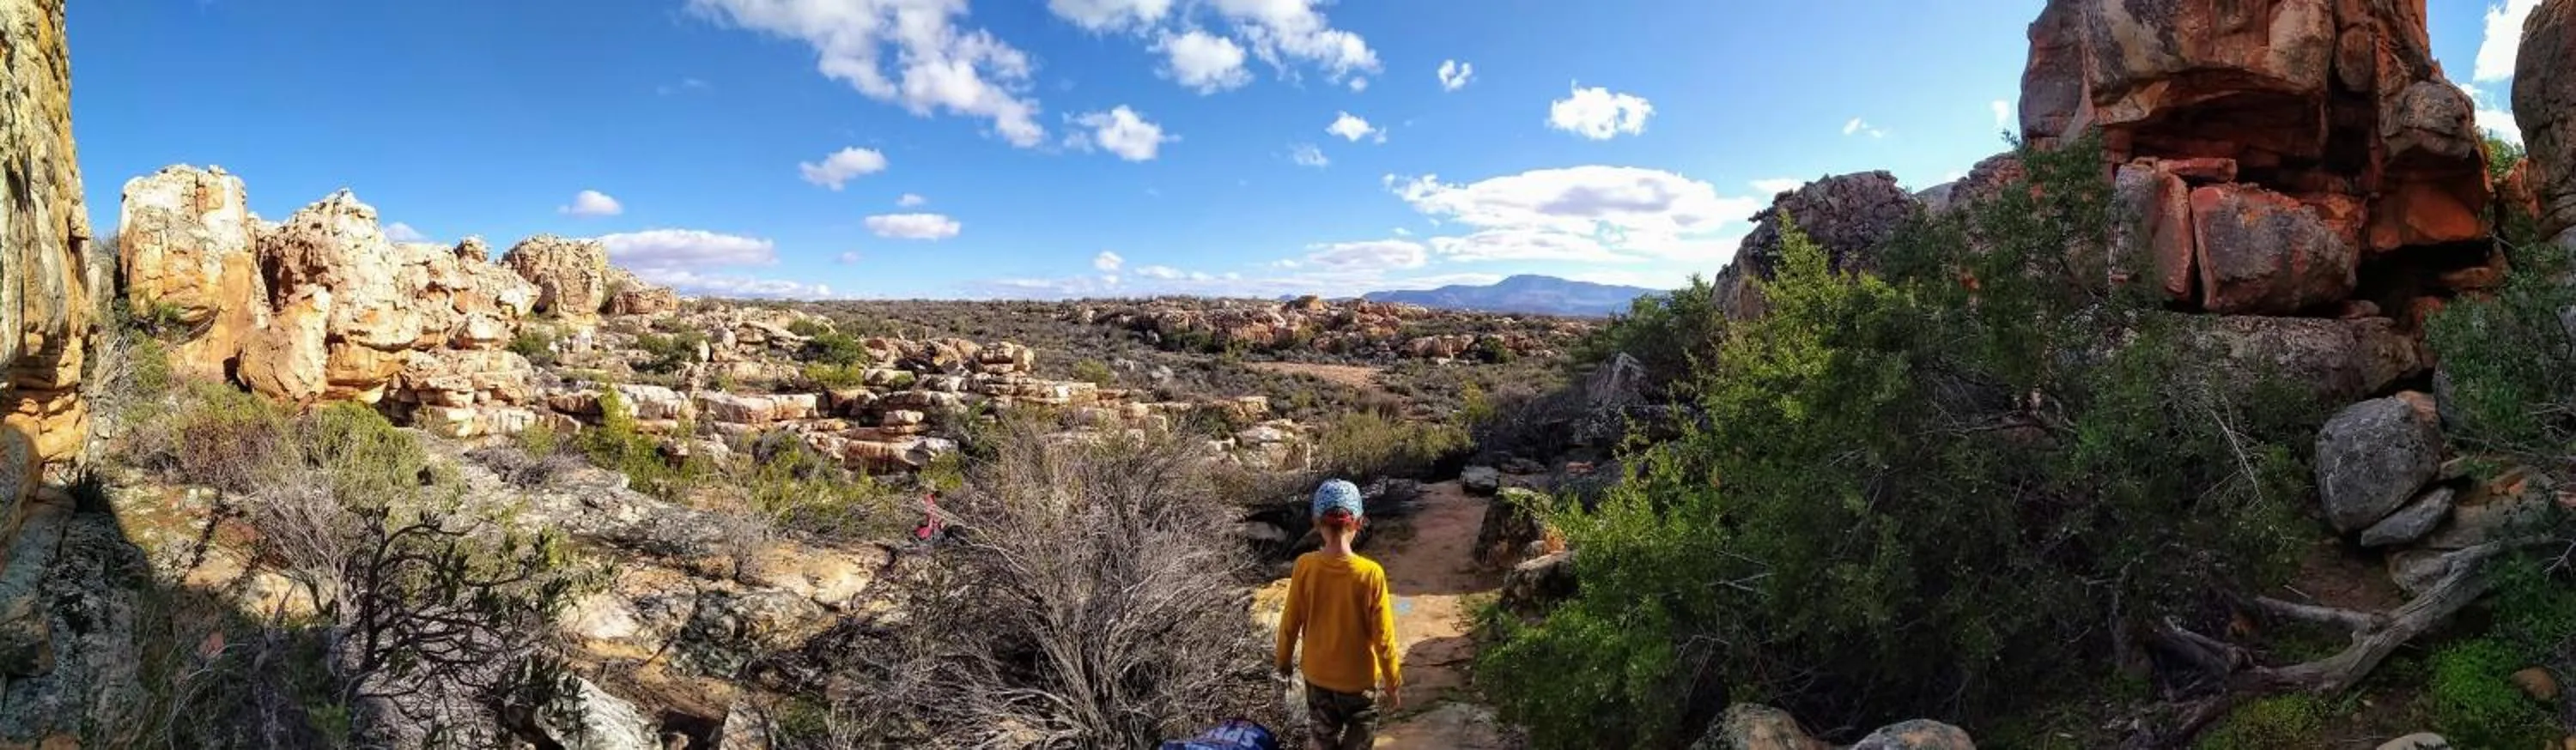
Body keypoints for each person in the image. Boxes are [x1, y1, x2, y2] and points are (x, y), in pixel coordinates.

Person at [1273, 479, 1401, 750]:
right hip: (1359, 683)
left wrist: (1283, 662)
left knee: (1321, 740)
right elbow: (1384, 638)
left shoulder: (1304, 566)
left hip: (1317, 678)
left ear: (1317, 522)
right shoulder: (1371, 574)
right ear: (1359, 522)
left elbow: (1290, 623)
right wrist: (1392, 680)